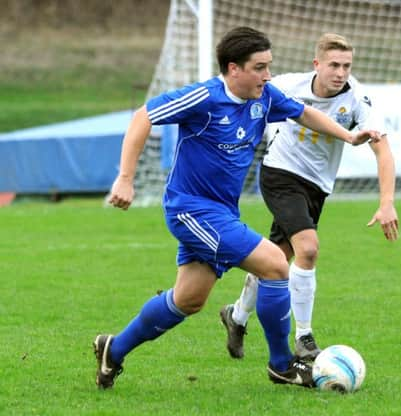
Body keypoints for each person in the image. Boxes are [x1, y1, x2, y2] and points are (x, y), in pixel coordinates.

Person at [93, 26, 384, 389]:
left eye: (269, 66)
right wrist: (125, 178)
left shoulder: (264, 97)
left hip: (222, 214)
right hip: (191, 210)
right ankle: (282, 365)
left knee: (188, 299)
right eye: (260, 67)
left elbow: (304, 114)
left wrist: (348, 135)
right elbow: (142, 117)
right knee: (276, 264)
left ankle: (113, 350)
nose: (268, 75)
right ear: (234, 69)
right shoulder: (204, 98)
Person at [219, 33, 399, 361]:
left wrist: (386, 202)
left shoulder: (358, 100)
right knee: (308, 249)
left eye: (346, 66)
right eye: (334, 65)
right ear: (317, 64)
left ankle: (237, 316)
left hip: (317, 186)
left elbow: (382, 150)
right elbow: (241, 92)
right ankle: (304, 338)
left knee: (275, 256)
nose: (341, 72)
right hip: (280, 173)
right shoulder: (289, 86)